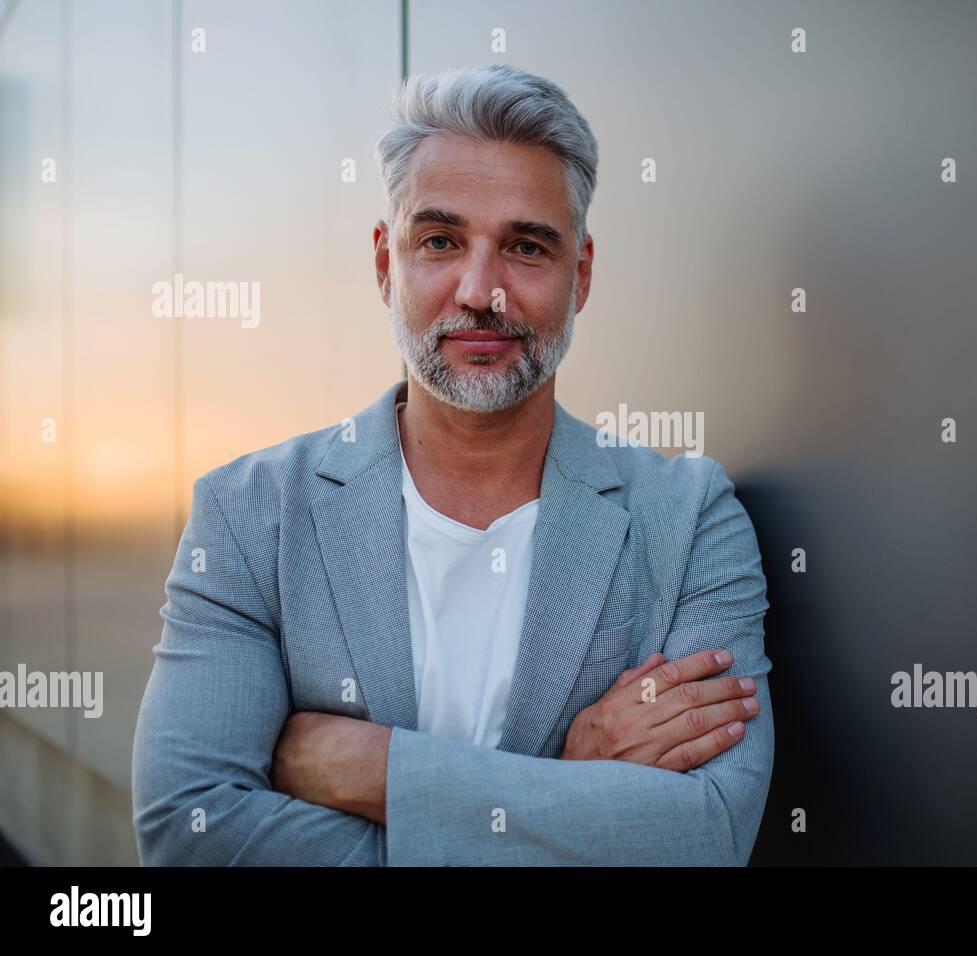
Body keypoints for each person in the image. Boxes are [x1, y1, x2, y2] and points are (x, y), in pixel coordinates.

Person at [132, 63, 774, 866]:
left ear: (580, 276)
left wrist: (376, 768)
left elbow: (706, 835)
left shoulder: (686, 519)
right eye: (440, 241)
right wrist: (561, 787)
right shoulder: (249, 516)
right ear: (383, 264)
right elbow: (191, 835)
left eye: (526, 246)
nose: (482, 291)